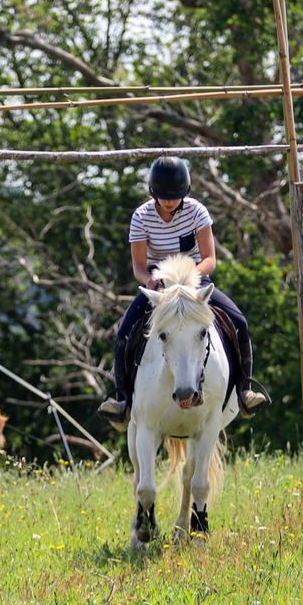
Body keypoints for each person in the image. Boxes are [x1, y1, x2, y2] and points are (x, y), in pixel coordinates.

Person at [97, 156, 269, 426]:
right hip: (159, 284)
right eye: (164, 197)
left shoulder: (197, 211)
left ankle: (244, 390)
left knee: (239, 322)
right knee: (124, 331)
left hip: (193, 280)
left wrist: (189, 278)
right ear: (153, 193)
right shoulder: (141, 216)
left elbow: (209, 258)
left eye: (175, 197)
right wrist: (151, 281)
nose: (169, 201)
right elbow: (139, 267)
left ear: (185, 192)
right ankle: (122, 400)